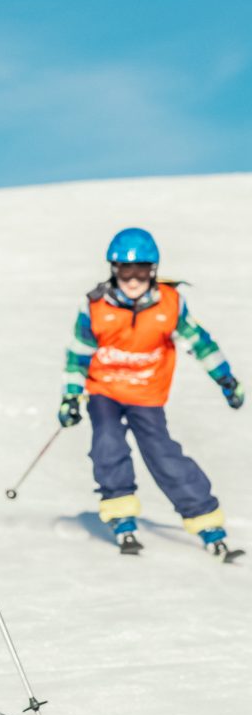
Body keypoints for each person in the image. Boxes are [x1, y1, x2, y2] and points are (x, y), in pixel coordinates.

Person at [59, 227, 244, 560]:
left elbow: (200, 344)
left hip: (147, 394)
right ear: (113, 270)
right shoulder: (96, 305)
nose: (133, 279)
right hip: (106, 390)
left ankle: (205, 519)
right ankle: (120, 514)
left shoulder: (170, 304)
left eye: (141, 270)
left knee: (162, 453)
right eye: (125, 270)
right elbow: (78, 352)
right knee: (107, 443)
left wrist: (226, 380)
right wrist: (71, 396)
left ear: (153, 270)